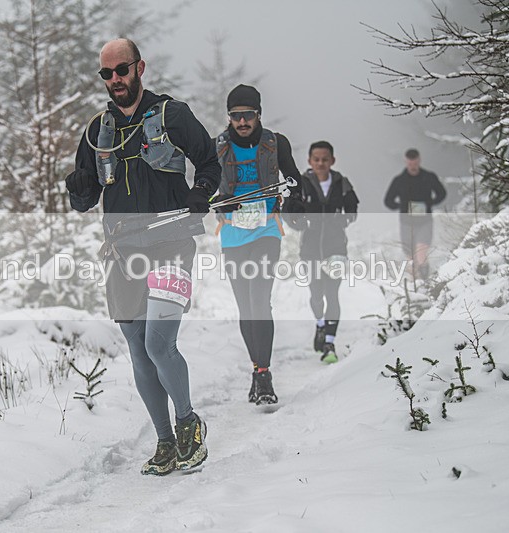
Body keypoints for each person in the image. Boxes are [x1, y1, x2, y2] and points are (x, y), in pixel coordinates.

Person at [64, 38, 220, 476]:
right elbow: (87, 195)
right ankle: (166, 441)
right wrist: (77, 190)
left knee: (158, 342)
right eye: (107, 74)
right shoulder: (97, 130)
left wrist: (200, 193)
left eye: (122, 70)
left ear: (139, 67)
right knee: (137, 347)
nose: (115, 80)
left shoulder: (172, 115)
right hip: (122, 249)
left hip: (171, 244)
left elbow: (209, 162)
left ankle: (189, 423)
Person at [213, 84, 303, 405]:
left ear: (258, 114)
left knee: (259, 299)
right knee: (246, 307)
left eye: (247, 115)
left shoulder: (275, 144)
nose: (241, 122)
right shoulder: (218, 147)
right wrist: (217, 202)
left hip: (267, 231)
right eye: (235, 116)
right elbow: (203, 190)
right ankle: (256, 368)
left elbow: (295, 181)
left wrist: (295, 205)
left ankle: (263, 374)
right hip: (233, 235)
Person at [297, 141, 359, 364]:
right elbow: (290, 212)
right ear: (310, 161)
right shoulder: (302, 184)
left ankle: (330, 343)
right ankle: (321, 324)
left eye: (325, 159)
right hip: (310, 250)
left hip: (336, 249)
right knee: (316, 295)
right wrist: (300, 224)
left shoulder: (342, 183)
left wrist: (343, 219)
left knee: (332, 294)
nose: (321, 163)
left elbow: (353, 209)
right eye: (316, 159)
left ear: (332, 160)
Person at [384, 148, 447, 279]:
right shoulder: (399, 180)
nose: (413, 167)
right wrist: (401, 206)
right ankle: (415, 284)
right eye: (410, 164)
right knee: (411, 256)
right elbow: (388, 201)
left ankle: (425, 281)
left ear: (419, 161)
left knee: (421, 251)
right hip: (406, 222)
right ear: (406, 162)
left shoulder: (429, 177)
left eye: (415, 163)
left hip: (425, 221)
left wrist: (430, 203)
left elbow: (441, 193)